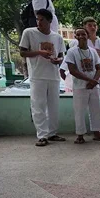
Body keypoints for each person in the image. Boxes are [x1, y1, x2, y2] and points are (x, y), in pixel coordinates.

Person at [19, 8, 66, 147]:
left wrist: (58, 60)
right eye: (37, 19)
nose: (39, 22)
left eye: (42, 20)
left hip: (53, 75)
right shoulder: (29, 32)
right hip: (37, 75)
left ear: (49, 21)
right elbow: (23, 52)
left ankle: (52, 133)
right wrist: (39, 52)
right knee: (38, 105)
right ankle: (42, 135)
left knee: (54, 106)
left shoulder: (57, 37)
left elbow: (62, 55)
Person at [64, 28, 100, 144]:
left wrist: (94, 81)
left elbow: (99, 68)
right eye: (78, 34)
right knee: (79, 111)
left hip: (94, 86)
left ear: (87, 36)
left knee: (96, 110)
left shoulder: (93, 51)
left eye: (83, 34)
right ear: (75, 37)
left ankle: (97, 132)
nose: (81, 36)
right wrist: (90, 80)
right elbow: (72, 70)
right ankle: (80, 135)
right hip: (80, 86)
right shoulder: (72, 52)